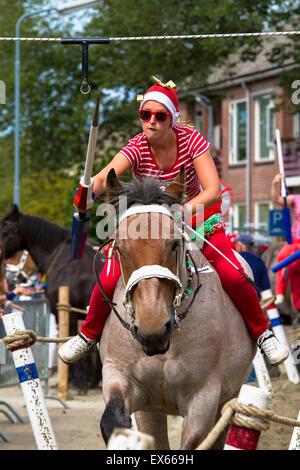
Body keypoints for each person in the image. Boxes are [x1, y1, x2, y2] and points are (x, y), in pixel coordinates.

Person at [59, 77, 289, 366]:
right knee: (108, 274)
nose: (151, 121)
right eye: (145, 115)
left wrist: (177, 213)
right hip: (150, 227)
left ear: (172, 119)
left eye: (160, 116)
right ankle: (88, 334)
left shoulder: (192, 140)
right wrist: (85, 193)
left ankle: (263, 334)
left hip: (196, 217)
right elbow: (104, 178)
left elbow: (213, 190)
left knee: (231, 272)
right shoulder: (136, 147)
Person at [271, 173, 300, 308]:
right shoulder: (296, 199)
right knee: (282, 257)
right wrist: (275, 183)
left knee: (295, 270)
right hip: (295, 240)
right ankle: (280, 293)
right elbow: (277, 199)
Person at [234, 233, 271, 300]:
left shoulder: (233, 259)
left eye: (236, 244)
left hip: (236, 300)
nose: (235, 246)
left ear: (240, 246)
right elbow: (265, 287)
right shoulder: (259, 261)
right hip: (255, 301)